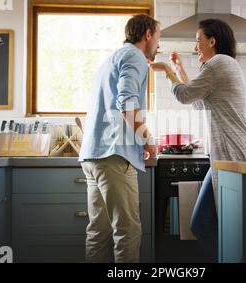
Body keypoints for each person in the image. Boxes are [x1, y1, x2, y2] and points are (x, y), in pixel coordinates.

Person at [151, 18, 246, 262]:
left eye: (198, 41)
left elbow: (185, 96)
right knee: (201, 223)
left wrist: (167, 71)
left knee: (230, 229)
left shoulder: (218, 63)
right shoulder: (223, 65)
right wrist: (179, 71)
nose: (196, 46)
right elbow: (199, 104)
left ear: (212, 41)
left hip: (233, 158)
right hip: (223, 158)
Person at [79, 14, 160, 263]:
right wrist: (147, 140)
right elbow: (126, 102)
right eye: (158, 37)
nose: (158, 44)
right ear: (147, 35)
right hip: (114, 156)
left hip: (93, 156)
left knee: (98, 232)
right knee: (127, 232)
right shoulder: (135, 56)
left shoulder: (111, 59)